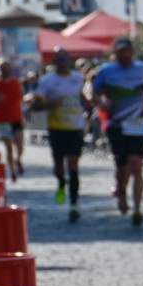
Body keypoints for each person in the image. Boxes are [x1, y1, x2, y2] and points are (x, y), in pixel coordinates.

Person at [91, 37, 143, 226]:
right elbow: (94, 93)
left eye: (127, 50)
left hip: (137, 122)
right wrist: (101, 102)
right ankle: (121, 191)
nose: (124, 54)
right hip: (116, 124)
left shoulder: (142, 68)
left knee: (136, 163)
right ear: (115, 52)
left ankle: (137, 208)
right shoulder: (106, 71)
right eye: (120, 51)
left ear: (132, 51)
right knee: (122, 167)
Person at [28, 49, 86, 221]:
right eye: (59, 59)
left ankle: (74, 204)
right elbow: (35, 106)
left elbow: (81, 97)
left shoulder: (78, 78)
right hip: (56, 128)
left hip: (75, 128)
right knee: (59, 167)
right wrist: (51, 103)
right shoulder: (47, 81)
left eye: (65, 59)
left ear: (69, 61)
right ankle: (61, 183)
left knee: (73, 165)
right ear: (54, 62)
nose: (62, 62)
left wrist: (89, 102)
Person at [0, 60, 24, 179]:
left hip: (16, 118)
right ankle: (11, 170)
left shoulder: (16, 82)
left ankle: (18, 159)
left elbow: (21, 97)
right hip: (2, 120)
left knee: (20, 143)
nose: (5, 70)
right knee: (9, 147)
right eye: (3, 67)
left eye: (7, 67)